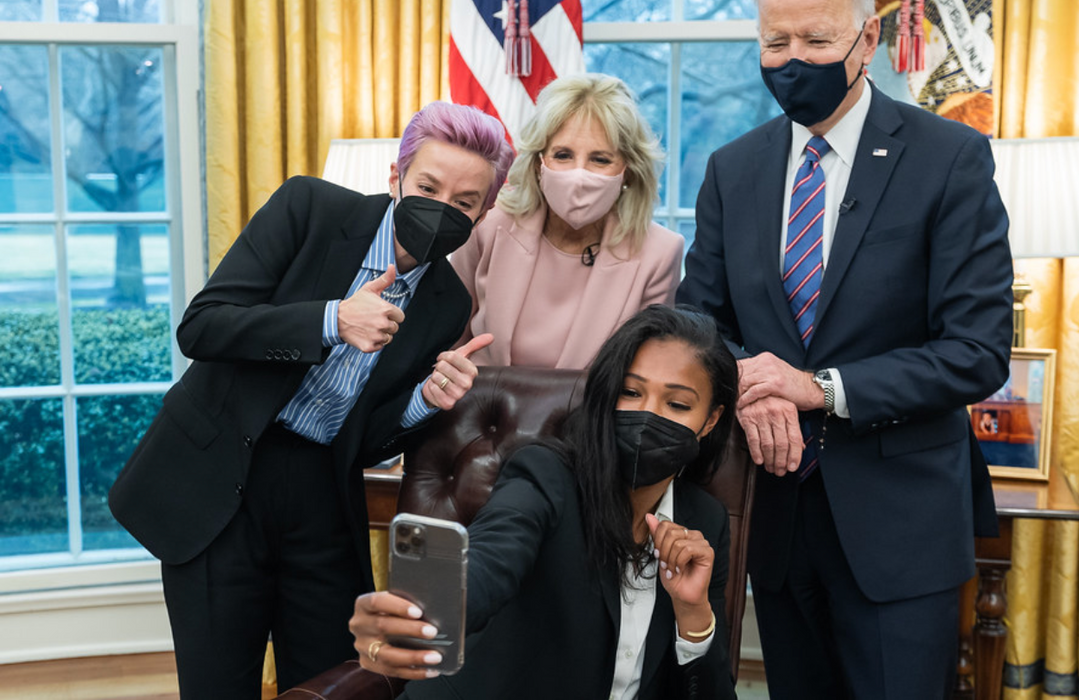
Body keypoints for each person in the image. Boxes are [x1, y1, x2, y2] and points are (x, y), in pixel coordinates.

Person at [108, 102, 515, 699]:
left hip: (323, 492)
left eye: (463, 202)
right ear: (396, 177)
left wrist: (425, 401)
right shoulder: (309, 209)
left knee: (334, 684)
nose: (441, 208)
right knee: (218, 684)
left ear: (484, 212)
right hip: (224, 474)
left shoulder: (449, 302)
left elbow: (368, 437)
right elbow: (202, 326)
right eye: (428, 186)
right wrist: (330, 320)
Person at [676, 0, 1014, 696]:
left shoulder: (948, 157)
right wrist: (742, 377)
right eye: (775, 41)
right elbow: (697, 324)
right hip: (773, 514)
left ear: (866, 39)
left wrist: (819, 387)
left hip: (899, 523)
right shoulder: (731, 168)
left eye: (815, 39)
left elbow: (975, 351)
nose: (792, 57)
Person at [349, 305, 739, 699]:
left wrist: (693, 614)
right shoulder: (546, 474)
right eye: (631, 392)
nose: (647, 415)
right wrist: (423, 610)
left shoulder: (704, 520)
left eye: (677, 404)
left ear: (710, 420)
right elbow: (492, 555)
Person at [450, 73, 684, 369]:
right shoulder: (487, 226)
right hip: (480, 408)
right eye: (563, 155)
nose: (579, 175)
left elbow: (645, 372)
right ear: (539, 163)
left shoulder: (660, 253)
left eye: (600, 159)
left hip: (589, 413)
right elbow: (447, 341)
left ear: (628, 170)